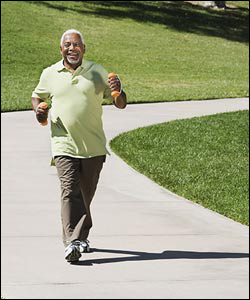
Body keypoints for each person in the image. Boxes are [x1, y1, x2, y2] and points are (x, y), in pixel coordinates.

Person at [32, 29, 127, 263]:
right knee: (69, 190)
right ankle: (71, 242)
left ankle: (82, 236)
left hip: (93, 145)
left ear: (84, 49)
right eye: (67, 44)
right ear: (61, 49)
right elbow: (37, 96)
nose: (71, 48)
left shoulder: (97, 72)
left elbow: (120, 104)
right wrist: (38, 110)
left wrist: (119, 90)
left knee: (85, 194)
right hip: (63, 143)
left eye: (76, 45)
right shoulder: (50, 73)